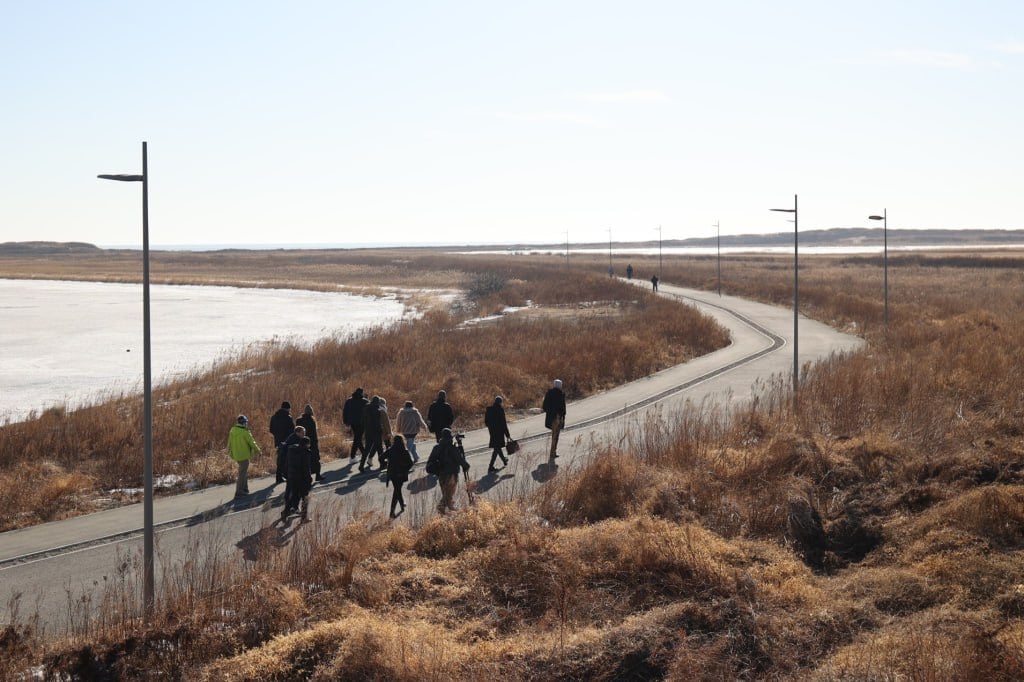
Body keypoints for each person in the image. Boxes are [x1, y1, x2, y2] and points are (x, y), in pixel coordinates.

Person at [426, 428, 470, 514]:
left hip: (441, 474)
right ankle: (443, 509)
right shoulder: (452, 448)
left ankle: (447, 510)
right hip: (451, 474)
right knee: (449, 495)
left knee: (446, 494)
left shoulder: (437, 447)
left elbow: (430, 461)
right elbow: (460, 460)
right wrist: (466, 466)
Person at [227, 415, 261, 498]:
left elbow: (229, 443)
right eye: (246, 422)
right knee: (242, 474)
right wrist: (258, 451)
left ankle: (245, 489)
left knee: (243, 472)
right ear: (244, 423)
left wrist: (231, 453)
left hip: (237, 455)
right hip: (244, 455)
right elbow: (252, 443)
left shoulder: (232, 430)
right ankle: (239, 492)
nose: (246, 424)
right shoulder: (245, 432)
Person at [282, 436, 314, 520]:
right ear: (307, 444)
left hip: (292, 476)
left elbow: (287, 463)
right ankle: (304, 517)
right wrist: (309, 478)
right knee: (305, 497)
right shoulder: (306, 452)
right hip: (302, 478)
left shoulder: (291, 450)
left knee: (294, 495)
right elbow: (306, 467)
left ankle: (285, 512)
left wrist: (286, 474)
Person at [384, 435, 414, 518]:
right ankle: (392, 512)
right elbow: (411, 463)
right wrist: (405, 469)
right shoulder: (405, 451)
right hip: (401, 474)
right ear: (402, 441)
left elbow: (381, 457)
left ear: (393, 441)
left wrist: (388, 463)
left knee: (397, 489)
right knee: (396, 491)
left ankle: (401, 505)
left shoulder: (390, 450)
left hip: (392, 474)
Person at [295, 404, 322, 482]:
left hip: (302, 442)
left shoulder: (298, 420)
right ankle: (318, 475)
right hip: (311, 442)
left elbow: (296, 431)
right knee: (316, 459)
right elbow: (314, 434)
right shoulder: (312, 420)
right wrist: (316, 443)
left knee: (305, 461)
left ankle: (307, 476)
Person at [269, 401, 294, 483]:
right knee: (288, 459)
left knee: (280, 459)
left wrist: (277, 435)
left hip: (278, 441)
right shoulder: (288, 418)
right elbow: (292, 431)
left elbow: (271, 430)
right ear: (288, 408)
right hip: (287, 441)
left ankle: (279, 476)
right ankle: (285, 476)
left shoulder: (274, 417)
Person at [484, 396, 511, 472]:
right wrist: (507, 434)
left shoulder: (489, 410)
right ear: (500, 402)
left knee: (497, 447)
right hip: (499, 432)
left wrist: (491, 427)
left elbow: (486, 422)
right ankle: (490, 466)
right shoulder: (500, 410)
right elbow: (503, 423)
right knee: (497, 448)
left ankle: (504, 461)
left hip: (492, 432)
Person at [542, 379, 567, 459]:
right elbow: (563, 408)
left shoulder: (549, 393)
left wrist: (549, 412)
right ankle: (553, 452)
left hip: (550, 417)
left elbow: (544, 406)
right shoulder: (561, 394)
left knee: (554, 434)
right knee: (556, 435)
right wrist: (562, 415)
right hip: (558, 418)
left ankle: (553, 452)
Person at [343, 388, 369, 461]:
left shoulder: (349, 401)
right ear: (361, 393)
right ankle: (352, 456)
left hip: (352, 422)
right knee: (357, 438)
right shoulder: (365, 401)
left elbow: (345, 412)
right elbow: (368, 412)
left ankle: (363, 453)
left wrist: (346, 422)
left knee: (357, 437)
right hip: (361, 422)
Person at [360, 395, 385, 471]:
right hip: (376, 432)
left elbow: (362, 421)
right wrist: (381, 430)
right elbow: (378, 423)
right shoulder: (378, 410)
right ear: (377, 402)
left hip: (368, 432)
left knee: (367, 449)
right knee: (380, 449)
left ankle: (361, 465)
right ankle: (382, 464)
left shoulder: (365, 409)